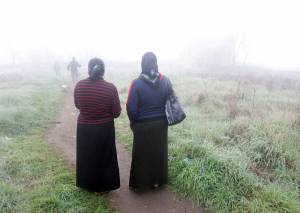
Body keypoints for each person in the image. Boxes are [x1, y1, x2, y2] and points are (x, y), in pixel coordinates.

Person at [74, 58, 121, 193]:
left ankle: (87, 184)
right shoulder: (110, 88)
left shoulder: (79, 85)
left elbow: (78, 105)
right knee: (104, 156)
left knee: (87, 156)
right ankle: (103, 186)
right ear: (103, 70)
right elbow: (116, 112)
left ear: (89, 69)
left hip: (84, 127)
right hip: (104, 128)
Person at [126, 52, 171, 191]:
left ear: (142, 64)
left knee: (141, 154)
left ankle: (140, 183)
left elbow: (131, 107)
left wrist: (134, 123)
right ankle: (157, 182)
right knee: (159, 152)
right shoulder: (165, 80)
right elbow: (170, 102)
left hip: (142, 124)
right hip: (161, 123)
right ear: (156, 63)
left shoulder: (136, 83)